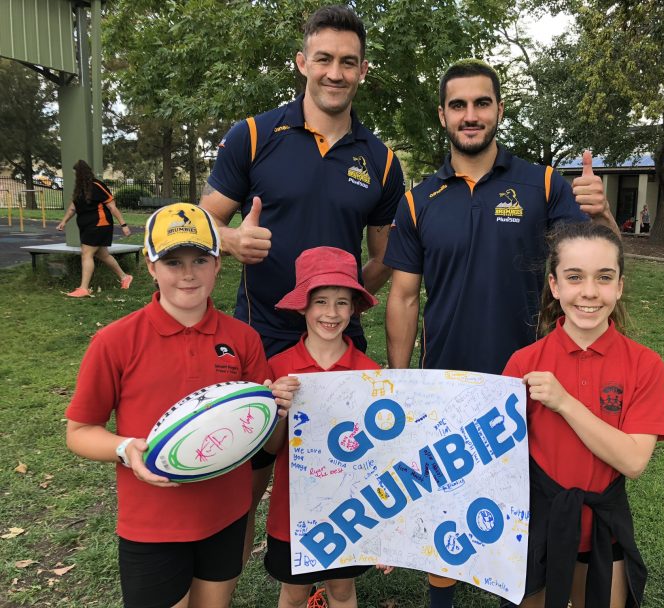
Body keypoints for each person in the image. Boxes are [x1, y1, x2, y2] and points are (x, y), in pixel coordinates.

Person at [383, 59, 617, 608]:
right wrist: (400, 382)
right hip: (448, 387)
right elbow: (403, 296)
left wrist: (602, 214)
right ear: (443, 115)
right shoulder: (418, 200)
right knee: (444, 507)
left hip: (533, 384)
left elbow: (595, 261)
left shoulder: (541, 184)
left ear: (499, 110)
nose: (471, 115)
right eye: (459, 105)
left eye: (481, 103)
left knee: (530, 512)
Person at [199, 4, 405, 562]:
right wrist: (232, 240)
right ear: (302, 62)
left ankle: (325, 583)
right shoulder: (253, 134)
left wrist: (341, 298)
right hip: (261, 334)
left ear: (363, 70)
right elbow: (202, 223)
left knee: (340, 470)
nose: (335, 72)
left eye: (348, 62)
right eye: (324, 59)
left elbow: (384, 257)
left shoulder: (381, 161)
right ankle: (225, 584)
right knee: (248, 476)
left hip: (339, 343)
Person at [64, 203, 295, 608]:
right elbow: (80, 432)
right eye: (173, 261)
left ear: (217, 263)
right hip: (151, 523)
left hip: (225, 514)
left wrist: (276, 411)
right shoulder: (116, 342)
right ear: (151, 267)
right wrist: (125, 448)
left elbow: (267, 443)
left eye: (200, 260)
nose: (188, 274)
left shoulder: (243, 339)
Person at [502, 221, 664, 608]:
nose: (590, 292)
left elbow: (632, 460)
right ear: (555, 285)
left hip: (602, 529)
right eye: (575, 277)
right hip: (536, 527)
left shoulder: (644, 365)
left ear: (620, 286)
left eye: (604, 277)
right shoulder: (524, 363)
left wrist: (564, 403)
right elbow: (496, 461)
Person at [261, 246, 391, 608]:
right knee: (294, 592)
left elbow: (379, 457)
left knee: (342, 590)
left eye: (342, 302)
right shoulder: (279, 369)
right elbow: (271, 450)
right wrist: (278, 413)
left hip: (352, 509)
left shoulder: (370, 374)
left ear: (354, 308)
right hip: (293, 511)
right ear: (303, 305)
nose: (331, 313)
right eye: (320, 301)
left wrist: (385, 526)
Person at [56, 159, 133, 297]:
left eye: (76, 174)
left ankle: (83, 288)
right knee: (102, 254)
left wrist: (124, 225)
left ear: (81, 174)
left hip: (99, 225)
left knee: (86, 254)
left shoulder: (97, 185)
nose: (75, 177)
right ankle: (124, 277)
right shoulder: (79, 191)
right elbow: (72, 209)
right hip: (87, 227)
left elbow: (111, 206)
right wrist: (64, 221)